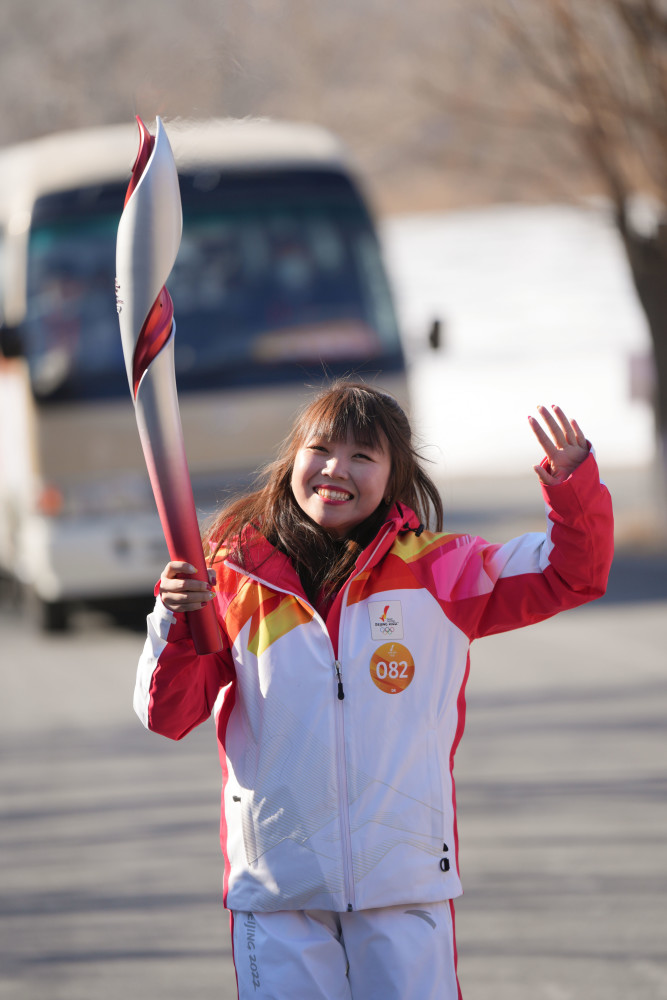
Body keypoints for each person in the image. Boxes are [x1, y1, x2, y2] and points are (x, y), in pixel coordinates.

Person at [134, 380, 613, 1000]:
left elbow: (570, 572)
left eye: (363, 456)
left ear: (395, 476)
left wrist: (572, 489)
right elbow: (167, 712)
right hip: (281, 889)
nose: (336, 469)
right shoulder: (231, 577)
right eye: (321, 449)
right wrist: (175, 619)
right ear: (293, 459)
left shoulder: (443, 570)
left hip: (403, 883)